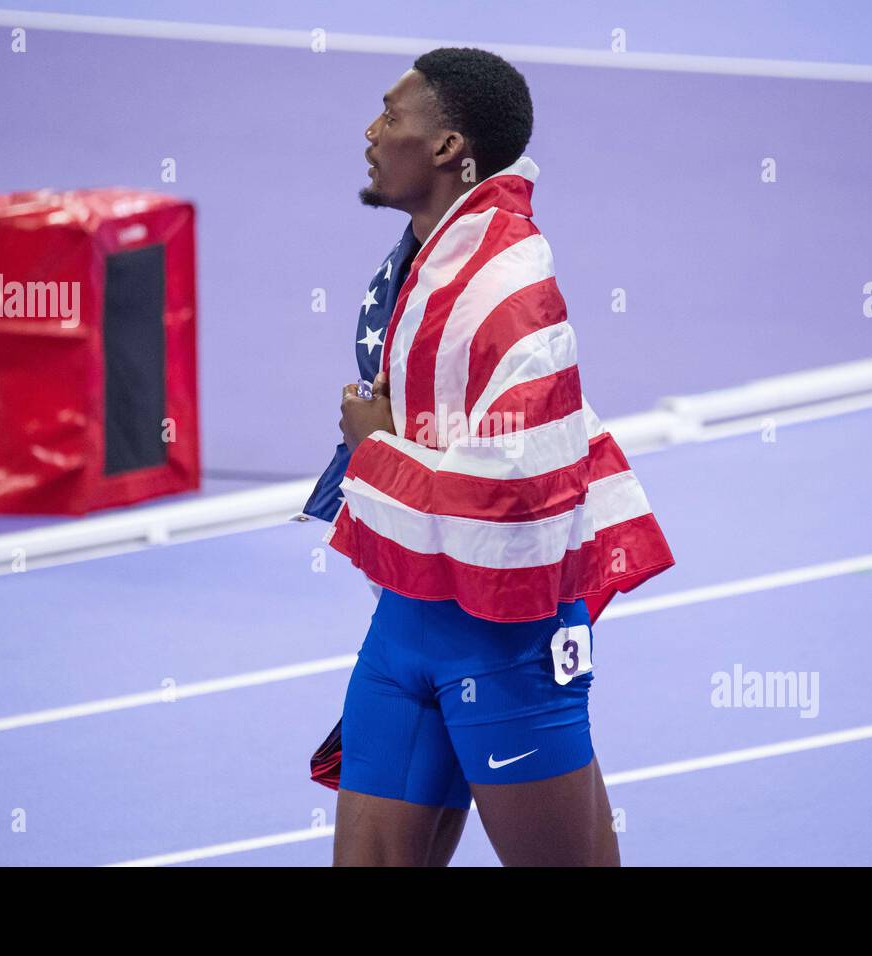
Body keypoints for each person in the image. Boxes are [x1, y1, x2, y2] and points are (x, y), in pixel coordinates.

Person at [311, 47, 675, 866]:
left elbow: (526, 498)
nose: (371, 132)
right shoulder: (421, 262)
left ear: (446, 148)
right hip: (407, 620)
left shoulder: (513, 291)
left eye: (391, 115)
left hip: (506, 642)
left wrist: (372, 454)